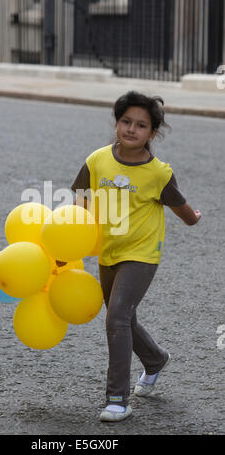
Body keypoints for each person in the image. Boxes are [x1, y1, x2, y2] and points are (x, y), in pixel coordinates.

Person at [70, 91, 202, 422]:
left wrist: (194, 217)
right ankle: (155, 359)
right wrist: (69, 248)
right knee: (124, 317)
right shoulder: (96, 161)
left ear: (152, 134)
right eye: (126, 121)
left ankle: (117, 399)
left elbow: (182, 209)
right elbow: (79, 209)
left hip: (142, 254)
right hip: (108, 252)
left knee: (115, 317)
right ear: (117, 123)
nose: (131, 129)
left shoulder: (158, 173)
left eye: (141, 125)